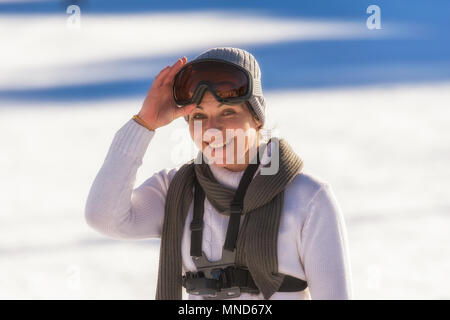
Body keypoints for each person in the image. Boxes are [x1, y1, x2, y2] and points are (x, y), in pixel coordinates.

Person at [84, 47, 353, 300]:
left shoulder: (309, 198)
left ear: (257, 119)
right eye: (199, 116)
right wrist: (144, 123)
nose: (213, 129)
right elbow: (103, 218)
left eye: (228, 112)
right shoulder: (176, 191)